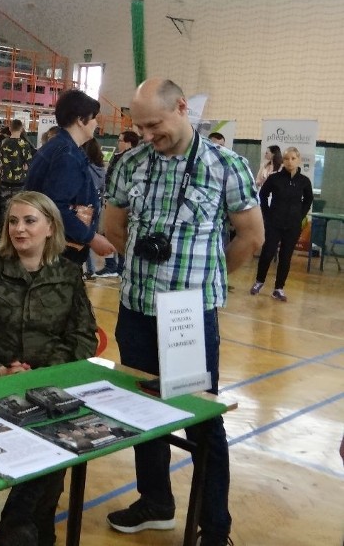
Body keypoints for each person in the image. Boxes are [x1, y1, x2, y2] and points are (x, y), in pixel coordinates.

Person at [102, 78, 264, 546]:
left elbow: (250, 237)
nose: (148, 135)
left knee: (202, 420)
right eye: (140, 126)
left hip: (188, 320)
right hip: (135, 309)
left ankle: (215, 527)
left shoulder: (225, 165)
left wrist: (205, 280)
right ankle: (156, 503)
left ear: (180, 108)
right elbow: (115, 228)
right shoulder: (129, 162)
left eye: (155, 125)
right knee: (139, 411)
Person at [0, 191, 98, 546]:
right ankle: (22, 532)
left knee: (49, 464)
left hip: (48, 396)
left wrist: (42, 377)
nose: (19, 229)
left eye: (30, 221)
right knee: (37, 487)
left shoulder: (68, 275)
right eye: (13, 221)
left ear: (50, 227)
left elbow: (83, 337)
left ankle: (21, 532)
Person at [24, 90, 115, 265]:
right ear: (81, 120)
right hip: (59, 252)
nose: (96, 123)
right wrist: (91, 237)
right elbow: (55, 206)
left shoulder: (61, 148)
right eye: (93, 117)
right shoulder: (67, 154)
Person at [250, 147, 313, 302]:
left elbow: (309, 199)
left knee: (286, 257)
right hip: (274, 223)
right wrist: (267, 213)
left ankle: (278, 288)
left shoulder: (304, 181)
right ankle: (259, 282)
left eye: (293, 158)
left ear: (298, 160)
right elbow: (263, 195)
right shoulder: (274, 178)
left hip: (293, 225)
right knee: (267, 253)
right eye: (286, 159)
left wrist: (300, 216)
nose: (289, 162)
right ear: (283, 160)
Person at [96, 130, 140, 277]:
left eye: (120, 140)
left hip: (125, 204)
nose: (117, 143)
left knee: (122, 233)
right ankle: (111, 264)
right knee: (107, 232)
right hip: (110, 199)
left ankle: (122, 265)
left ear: (129, 143)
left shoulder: (135, 160)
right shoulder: (117, 157)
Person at [0, 119, 34, 237]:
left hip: (5, 180)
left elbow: (1, 159)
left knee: (4, 208)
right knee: (18, 209)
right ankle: (15, 234)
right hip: (19, 181)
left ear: (10, 129)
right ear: (21, 129)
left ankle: (2, 235)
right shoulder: (24, 144)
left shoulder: (4, 142)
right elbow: (29, 163)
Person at [83, 138, 107, 279]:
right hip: (97, 204)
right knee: (90, 237)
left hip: (85, 206)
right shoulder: (101, 168)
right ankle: (91, 269)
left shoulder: (85, 167)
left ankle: (89, 268)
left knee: (81, 238)